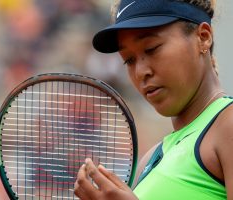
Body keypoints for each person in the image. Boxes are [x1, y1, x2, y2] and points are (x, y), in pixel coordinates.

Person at [73, 0, 233, 199]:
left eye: (152, 49)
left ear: (203, 37)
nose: (141, 72)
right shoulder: (149, 160)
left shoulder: (228, 124)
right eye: (129, 60)